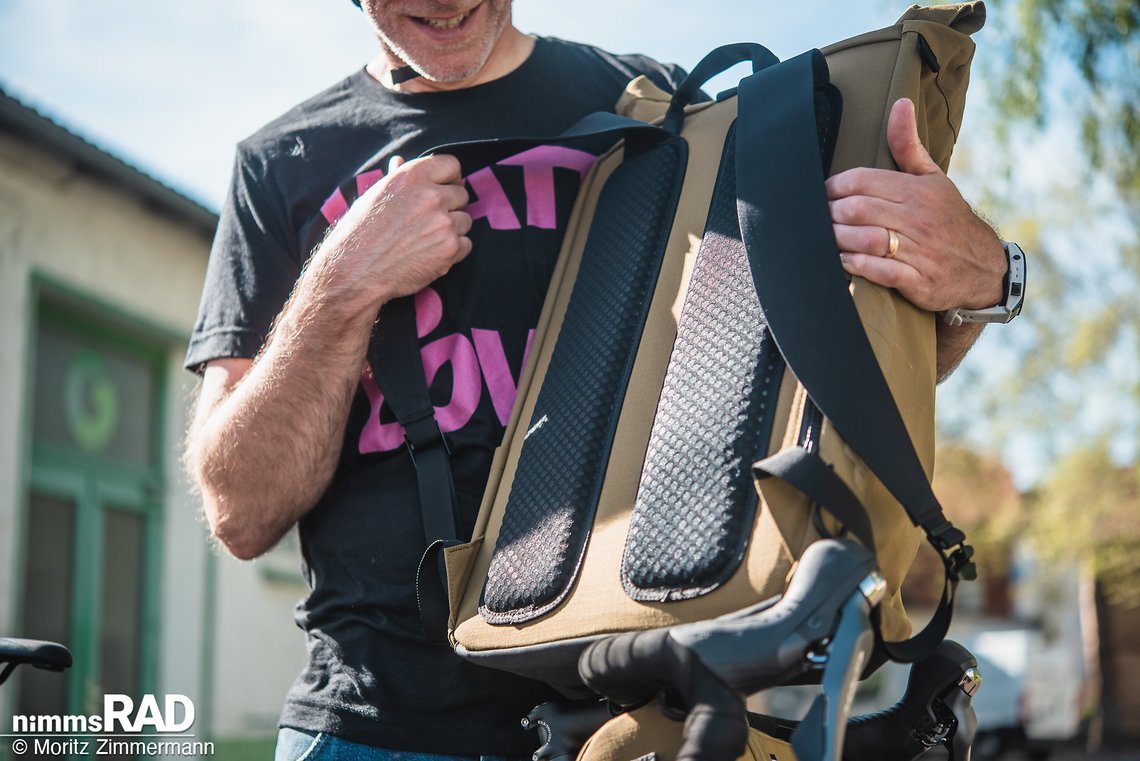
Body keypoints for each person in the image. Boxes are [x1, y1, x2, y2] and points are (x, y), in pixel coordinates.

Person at [183, 1, 1010, 759]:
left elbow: (834, 390)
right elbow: (242, 509)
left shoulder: (659, 113)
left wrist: (979, 283)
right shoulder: (281, 165)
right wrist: (343, 281)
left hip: (635, 720)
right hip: (368, 729)